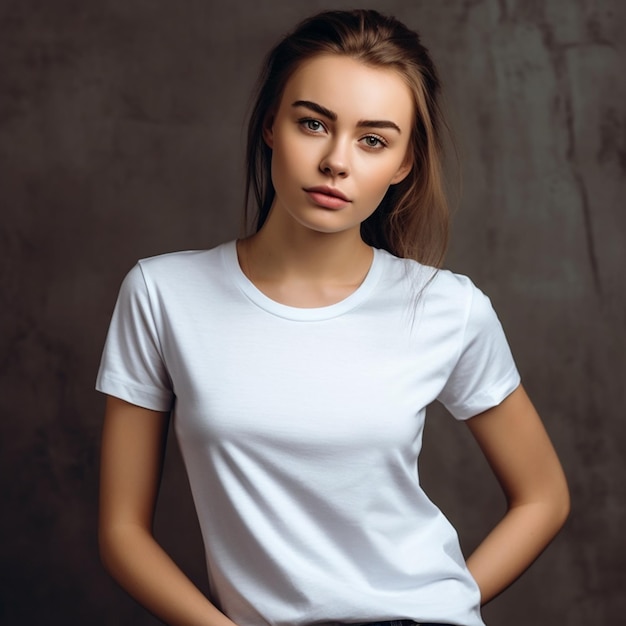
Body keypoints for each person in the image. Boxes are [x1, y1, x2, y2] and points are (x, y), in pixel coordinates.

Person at [96, 9, 569, 626]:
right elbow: (121, 532)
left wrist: (442, 603)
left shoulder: (448, 307)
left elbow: (543, 497)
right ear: (271, 126)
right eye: (313, 124)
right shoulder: (162, 294)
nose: (336, 161)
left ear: (403, 164)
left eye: (373, 139)